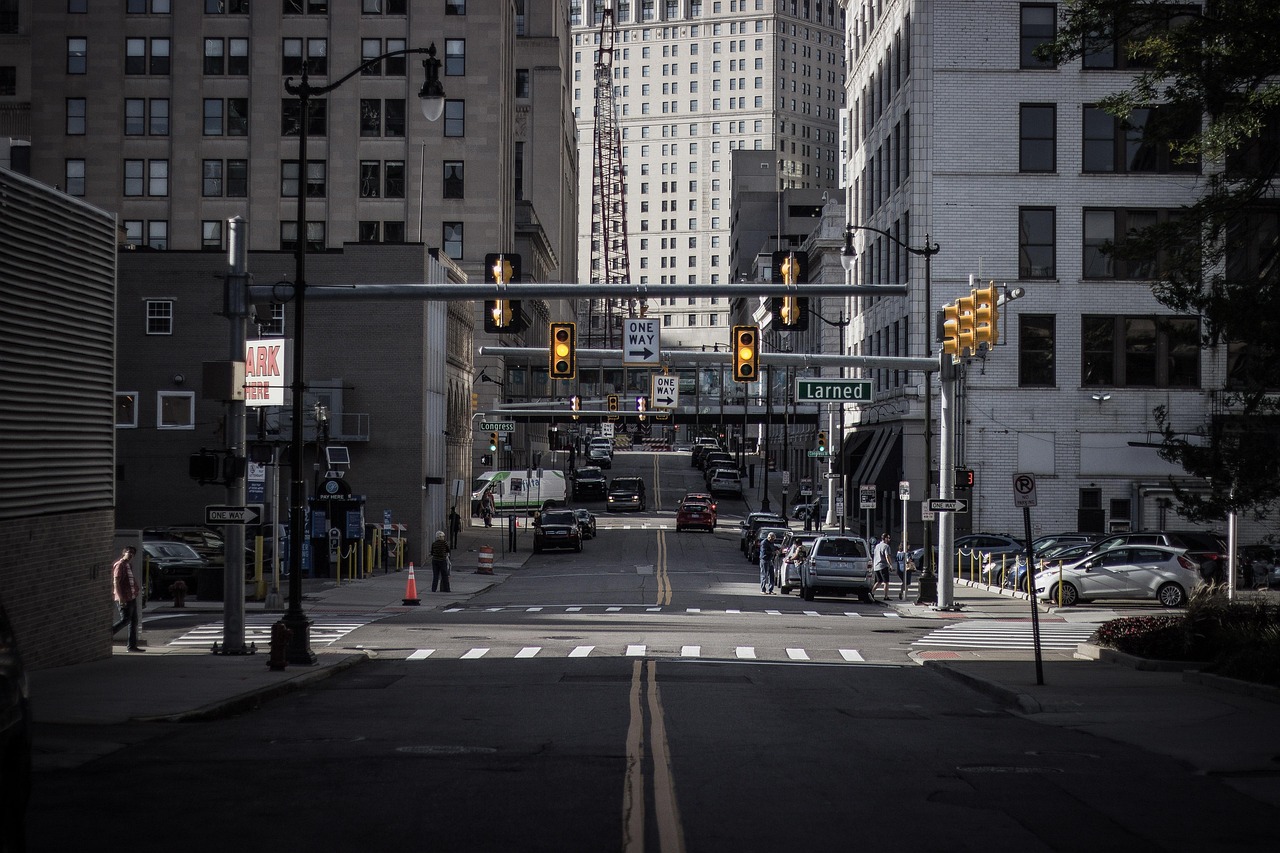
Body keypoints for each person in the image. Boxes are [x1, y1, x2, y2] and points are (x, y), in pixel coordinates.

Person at [111, 545, 144, 651]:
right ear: (124, 553)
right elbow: (116, 581)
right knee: (125, 620)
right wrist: (120, 598)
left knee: (134, 621)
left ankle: (132, 646)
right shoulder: (120, 565)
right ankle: (108, 634)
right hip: (124, 597)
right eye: (129, 552)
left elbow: (130, 580)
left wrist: (136, 589)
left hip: (131, 597)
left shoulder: (128, 565)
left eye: (133, 553)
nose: (131, 555)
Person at [872, 533, 894, 601]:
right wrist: (890, 565)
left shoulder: (877, 546)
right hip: (883, 565)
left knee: (879, 581)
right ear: (885, 538)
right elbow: (887, 556)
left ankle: (871, 592)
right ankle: (886, 596)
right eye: (888, 538)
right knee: (886, 582)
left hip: (876, 566)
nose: (889, 539)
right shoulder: (886, 546)